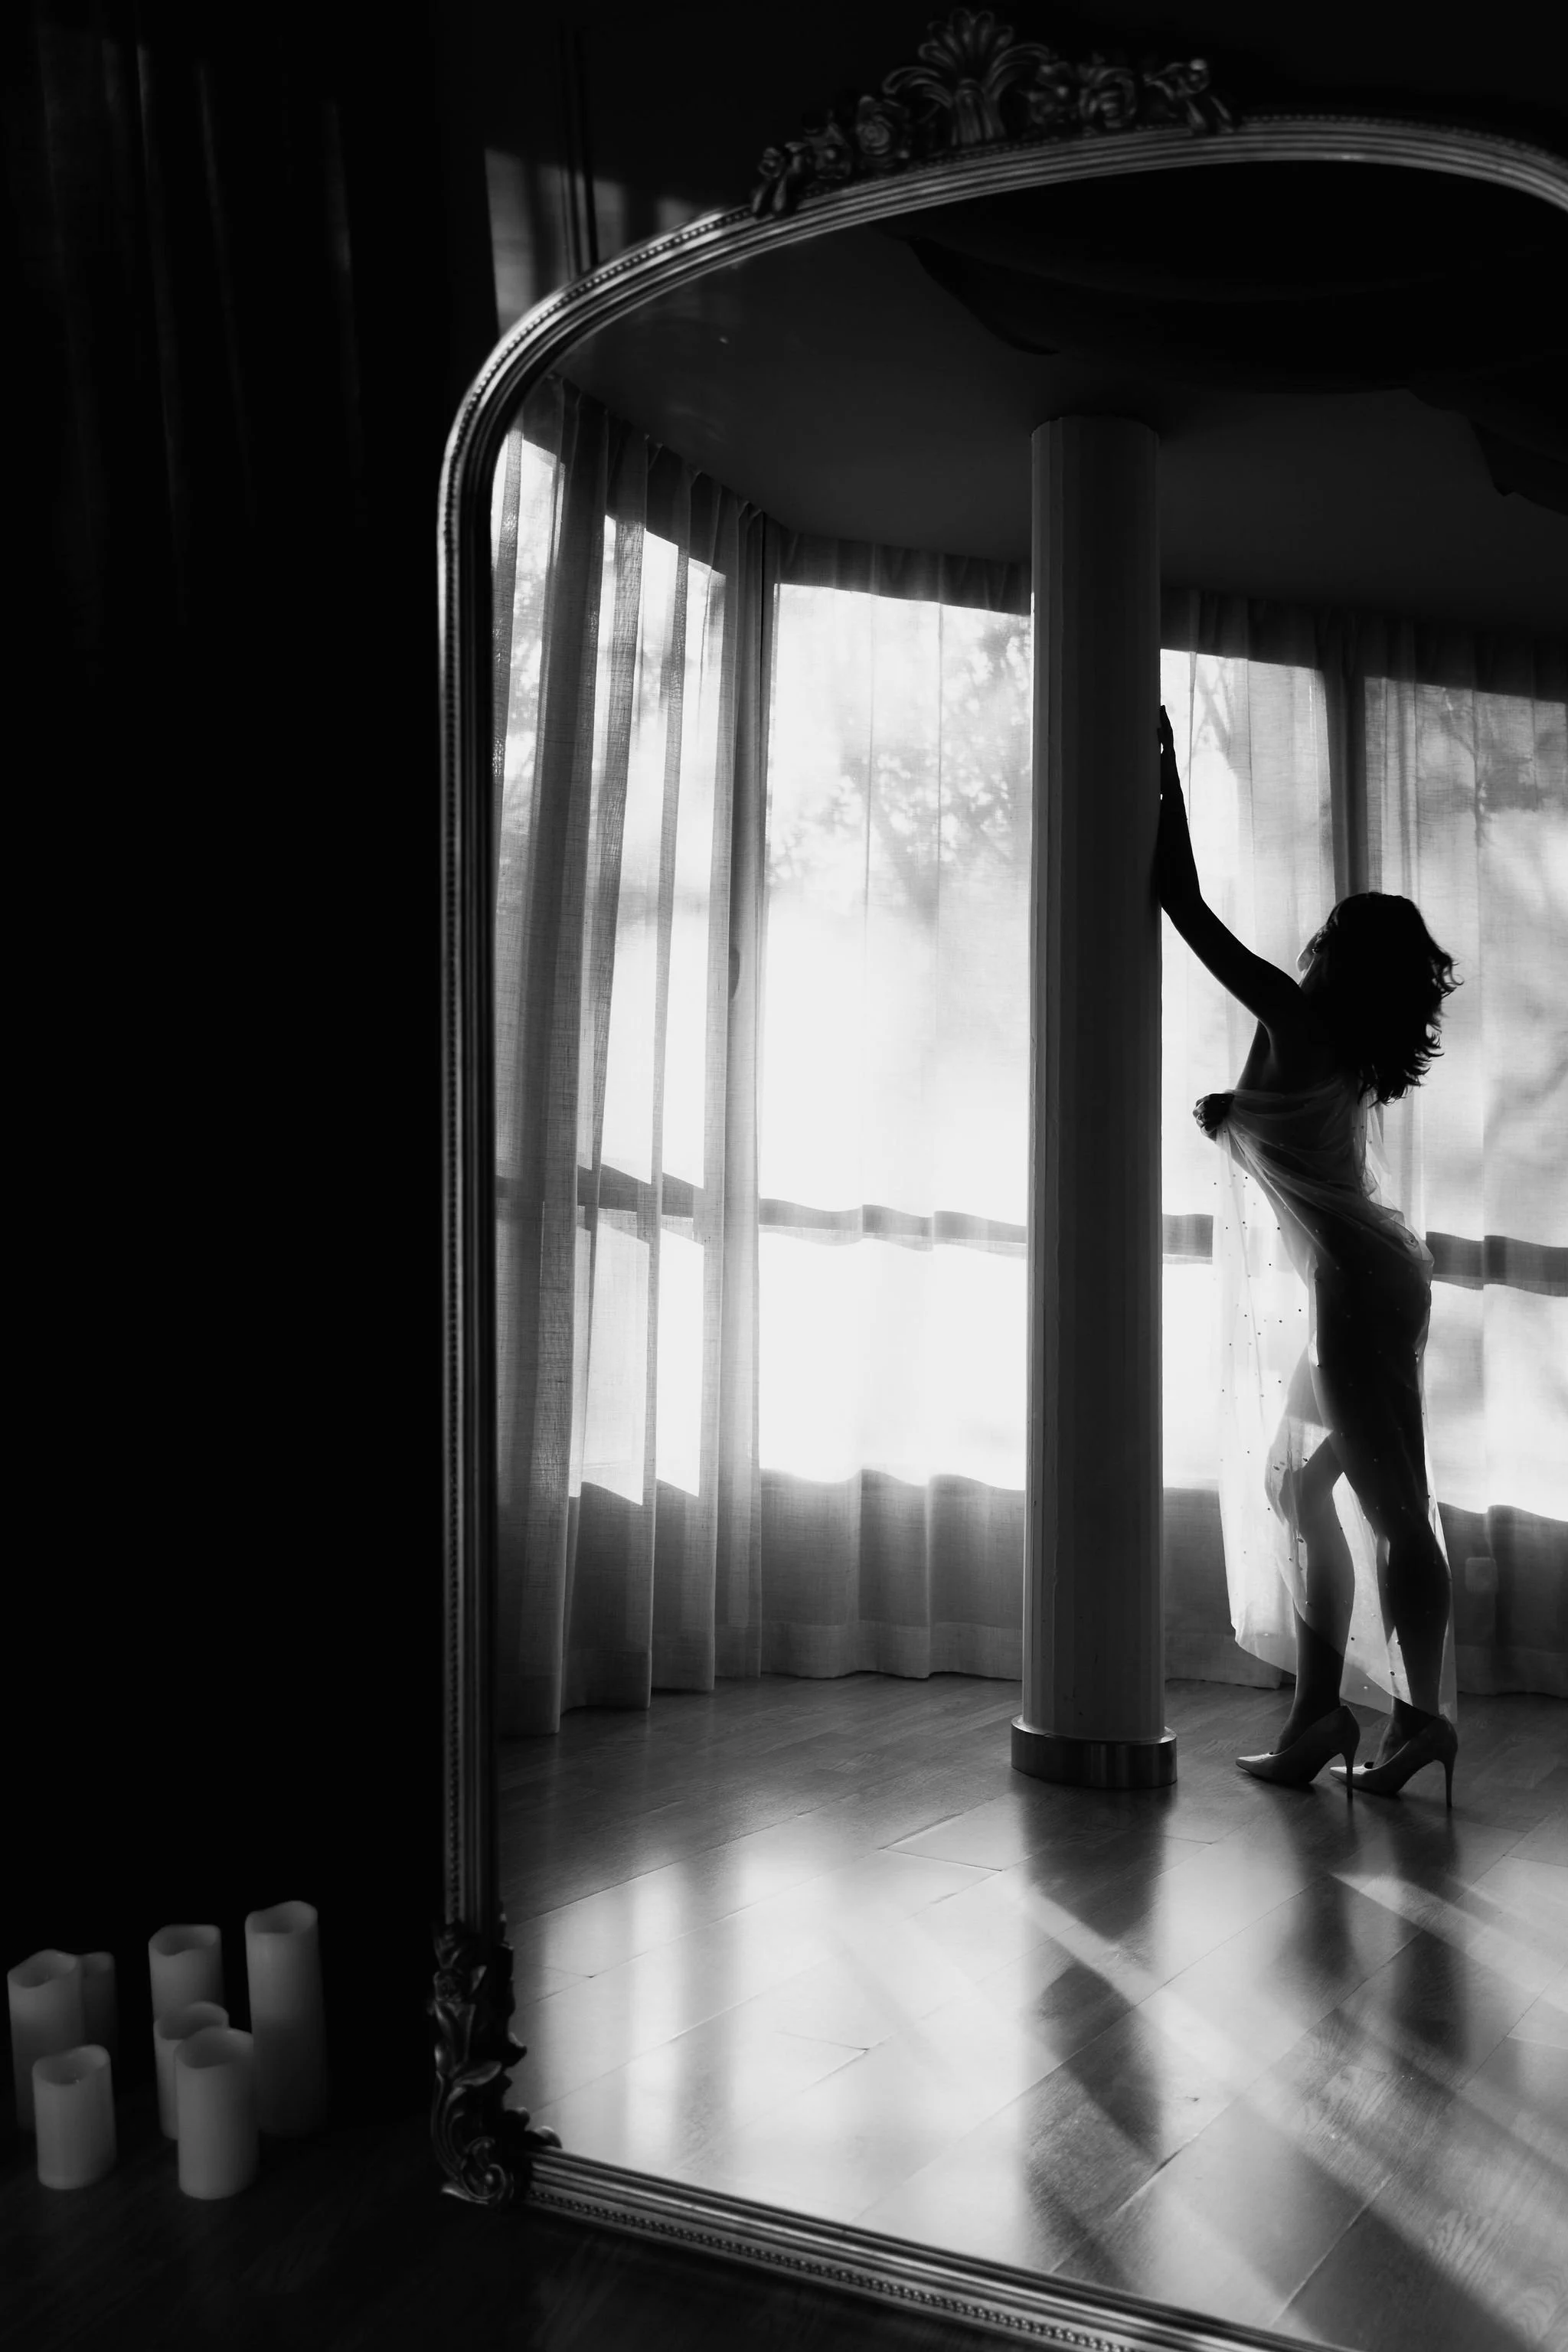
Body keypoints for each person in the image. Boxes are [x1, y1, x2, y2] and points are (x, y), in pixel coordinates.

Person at [1155, 704, 1461, 1802]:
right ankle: (1320, 1714)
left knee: (1389, 1505)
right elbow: (1292, 1139)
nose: (1311, 949)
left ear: (1337, 959)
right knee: (1297, 1488)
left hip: (1361, 1290)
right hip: (1372, 1279)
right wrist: (1229, 1110)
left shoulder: (1296, 1015)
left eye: (1329, 940)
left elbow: (1181, 904)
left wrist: (1163, 777)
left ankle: (1419, 1719)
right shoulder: (1325, 1052)